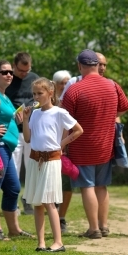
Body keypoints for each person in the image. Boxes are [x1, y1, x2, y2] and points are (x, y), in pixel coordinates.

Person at [61, 49, 128, 239]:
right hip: (106, 145)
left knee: (88, 186)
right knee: (102, 186)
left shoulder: (74, 90)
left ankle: (93, 229)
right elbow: (125, 107)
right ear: (97, 65)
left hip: (82, 146)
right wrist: (108, 116)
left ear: (80, 66)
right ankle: (104, 225)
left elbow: (64, 119)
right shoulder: (112, 85)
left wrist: (63, 144)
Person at [23, 78, 83, 252]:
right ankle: (41, 242)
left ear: (50, 93)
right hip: (35, 160)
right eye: (34, 94)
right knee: (37, 203)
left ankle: (58, 241)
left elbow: (78, 130)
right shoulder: (34, 113)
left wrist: (62, 144)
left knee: (49, 201)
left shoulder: (59, 112)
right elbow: (28, 138)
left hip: (51, 160)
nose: (36, 97)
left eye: (40, 93)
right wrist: (25, 120)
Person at [0, 60, 30, 240]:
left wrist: (20, 118)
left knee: (13, 188)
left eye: (11, 72)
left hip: (7, 147)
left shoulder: (4, 96)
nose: (9, 75)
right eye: (4, 72)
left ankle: (14, 229)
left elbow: (7, 118)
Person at [5, 52, 39, 215]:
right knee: (15, 168)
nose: (24, 74)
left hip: (31, 129)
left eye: (27, 70)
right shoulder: (8, 79)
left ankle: (28, 200)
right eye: (20, 70)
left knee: (32, 165)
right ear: (14, 65)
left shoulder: (34, 78)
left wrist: (33, 107)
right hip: (14, 131)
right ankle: (14, 204)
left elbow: (40, 98)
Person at [52, 69, 73, 231]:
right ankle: (52, 215)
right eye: (61, 83)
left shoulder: (72, 99)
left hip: (66, 148)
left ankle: (62, 217)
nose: (64, 86)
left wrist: (64, 144)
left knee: (66, 184)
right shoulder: (47, 101)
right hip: (49, 149)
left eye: (67, 82)